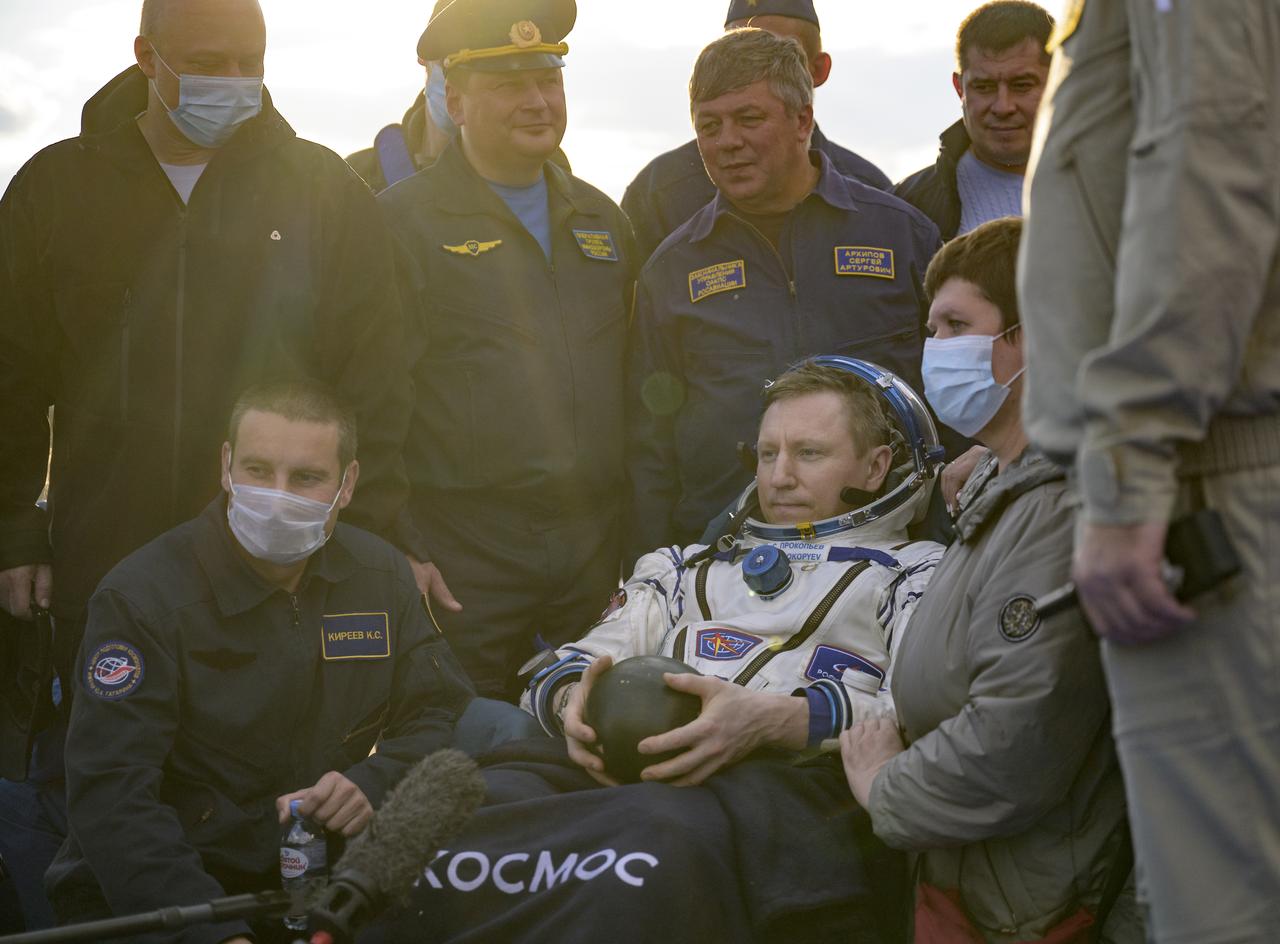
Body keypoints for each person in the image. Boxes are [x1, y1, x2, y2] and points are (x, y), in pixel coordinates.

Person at [0, 0, 438, 929]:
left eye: (251, 60)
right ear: (145, 57)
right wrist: (14, 526)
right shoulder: (58, 187)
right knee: (105, 788)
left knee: (266, 779)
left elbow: (379, 377)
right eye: (208, 62)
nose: (233, 83)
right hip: (104, 544)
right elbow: (8, 372)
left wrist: (366, 538)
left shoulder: (321, 190)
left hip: (280, 560)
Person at [364, 357, 943, 944]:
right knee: (474, 808)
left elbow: (923, 719)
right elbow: (568, 664)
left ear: (877, 466)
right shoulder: (684, 568)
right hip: (617, 773)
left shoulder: (919, 575)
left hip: (773, 791)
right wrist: (576, 707)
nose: (779, 477)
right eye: (768, 454)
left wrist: (768, 721)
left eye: (809, 454)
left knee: (647, 843)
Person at [1019, 3, 1280, 941]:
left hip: (1211, 487)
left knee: (1225, 909)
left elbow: (1206, 161)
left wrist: (1129, 470)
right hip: (1209, 467)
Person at [44, 380, 473, 944]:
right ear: (225, 466)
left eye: (306, 478)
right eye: (257, 469)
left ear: (348, 485)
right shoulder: (142, 599)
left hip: (313, 885)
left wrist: (375, 779)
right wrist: (216, 936)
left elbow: (441, 712)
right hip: (160, 898)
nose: (276, 496)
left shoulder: (381, 575)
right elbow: (113, 799)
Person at [840, 218, 1140, 943]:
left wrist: (887, 786)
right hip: (985, 881)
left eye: (956, 325)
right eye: (931, 327)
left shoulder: (1063, 500)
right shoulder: (1002, 483)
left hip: (1032, 901)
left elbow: (1016, 735)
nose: (936, 349)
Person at [379, 0, 638, 702]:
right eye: (507, 85)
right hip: (465, 550)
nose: (536, 101)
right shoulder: (401, 223)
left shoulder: (603, 220)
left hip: (592, 548)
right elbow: (372, 393)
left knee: (593, 733)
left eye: (547, 79)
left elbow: (639, 388)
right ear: (455, 101)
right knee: (458, 741)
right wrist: (397, 538)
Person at [626, 27, 941, 567]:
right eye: (709, 125)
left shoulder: (902, 236)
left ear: (802, 121)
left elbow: (955, 404)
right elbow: (648, 446)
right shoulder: (672, 271)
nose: (727, 141)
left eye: (749, 119)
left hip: (892, 555)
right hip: (730, 564)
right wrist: (651, 566)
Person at [622, 0, 891, 264]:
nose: (751, 63)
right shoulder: (659, 192)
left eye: (779, 52)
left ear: (818, 70)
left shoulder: (877, 200)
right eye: (736, 48)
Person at [345, 0, 570, 194]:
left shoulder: (556, 178)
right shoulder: (361, 177)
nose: (461, 85)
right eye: (453, 66)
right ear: (424, 62)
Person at [893, 1, 1052, 240]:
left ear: (1058, 82)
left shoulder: (1114, 187)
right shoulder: (907, 208)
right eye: (984, 87)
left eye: (1021, 85)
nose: (1003, 106)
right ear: (960, 88)